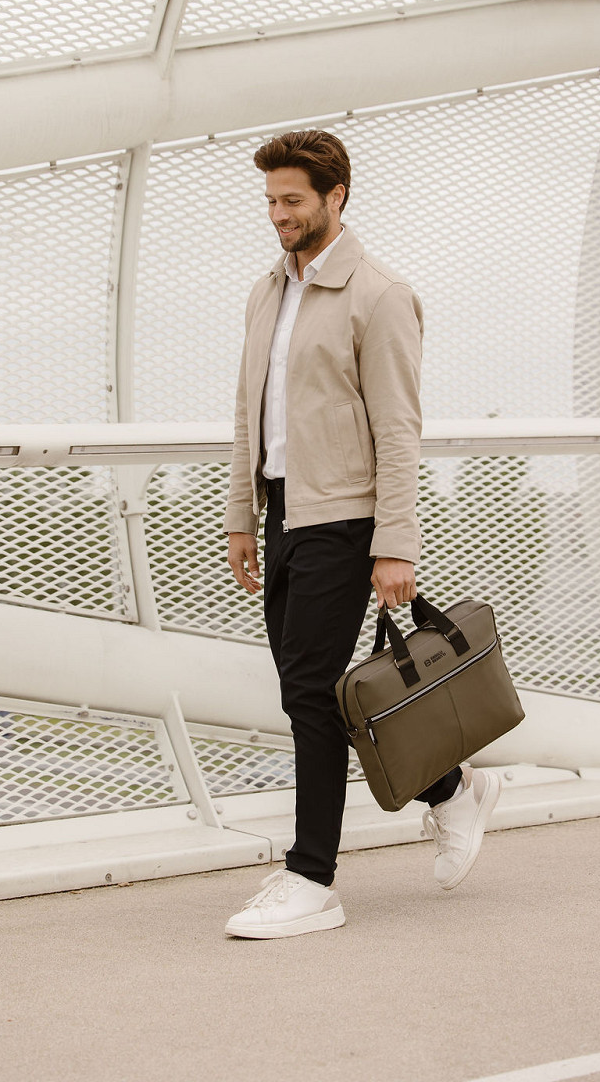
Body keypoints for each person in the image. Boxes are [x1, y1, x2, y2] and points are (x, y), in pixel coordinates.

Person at [223, 129, 501, 939]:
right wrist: (242, 516)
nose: (278, 214)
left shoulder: (380, 295)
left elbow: (399, 427)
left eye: (293, 200)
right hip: (284, 512)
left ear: (336, 195)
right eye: (270, 200)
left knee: (311, 691)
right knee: (305, 693)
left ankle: (313, 877)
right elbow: (247, 413)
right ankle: (452, 789)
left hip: (346, 518)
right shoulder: (266, 293)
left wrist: (396, 543)